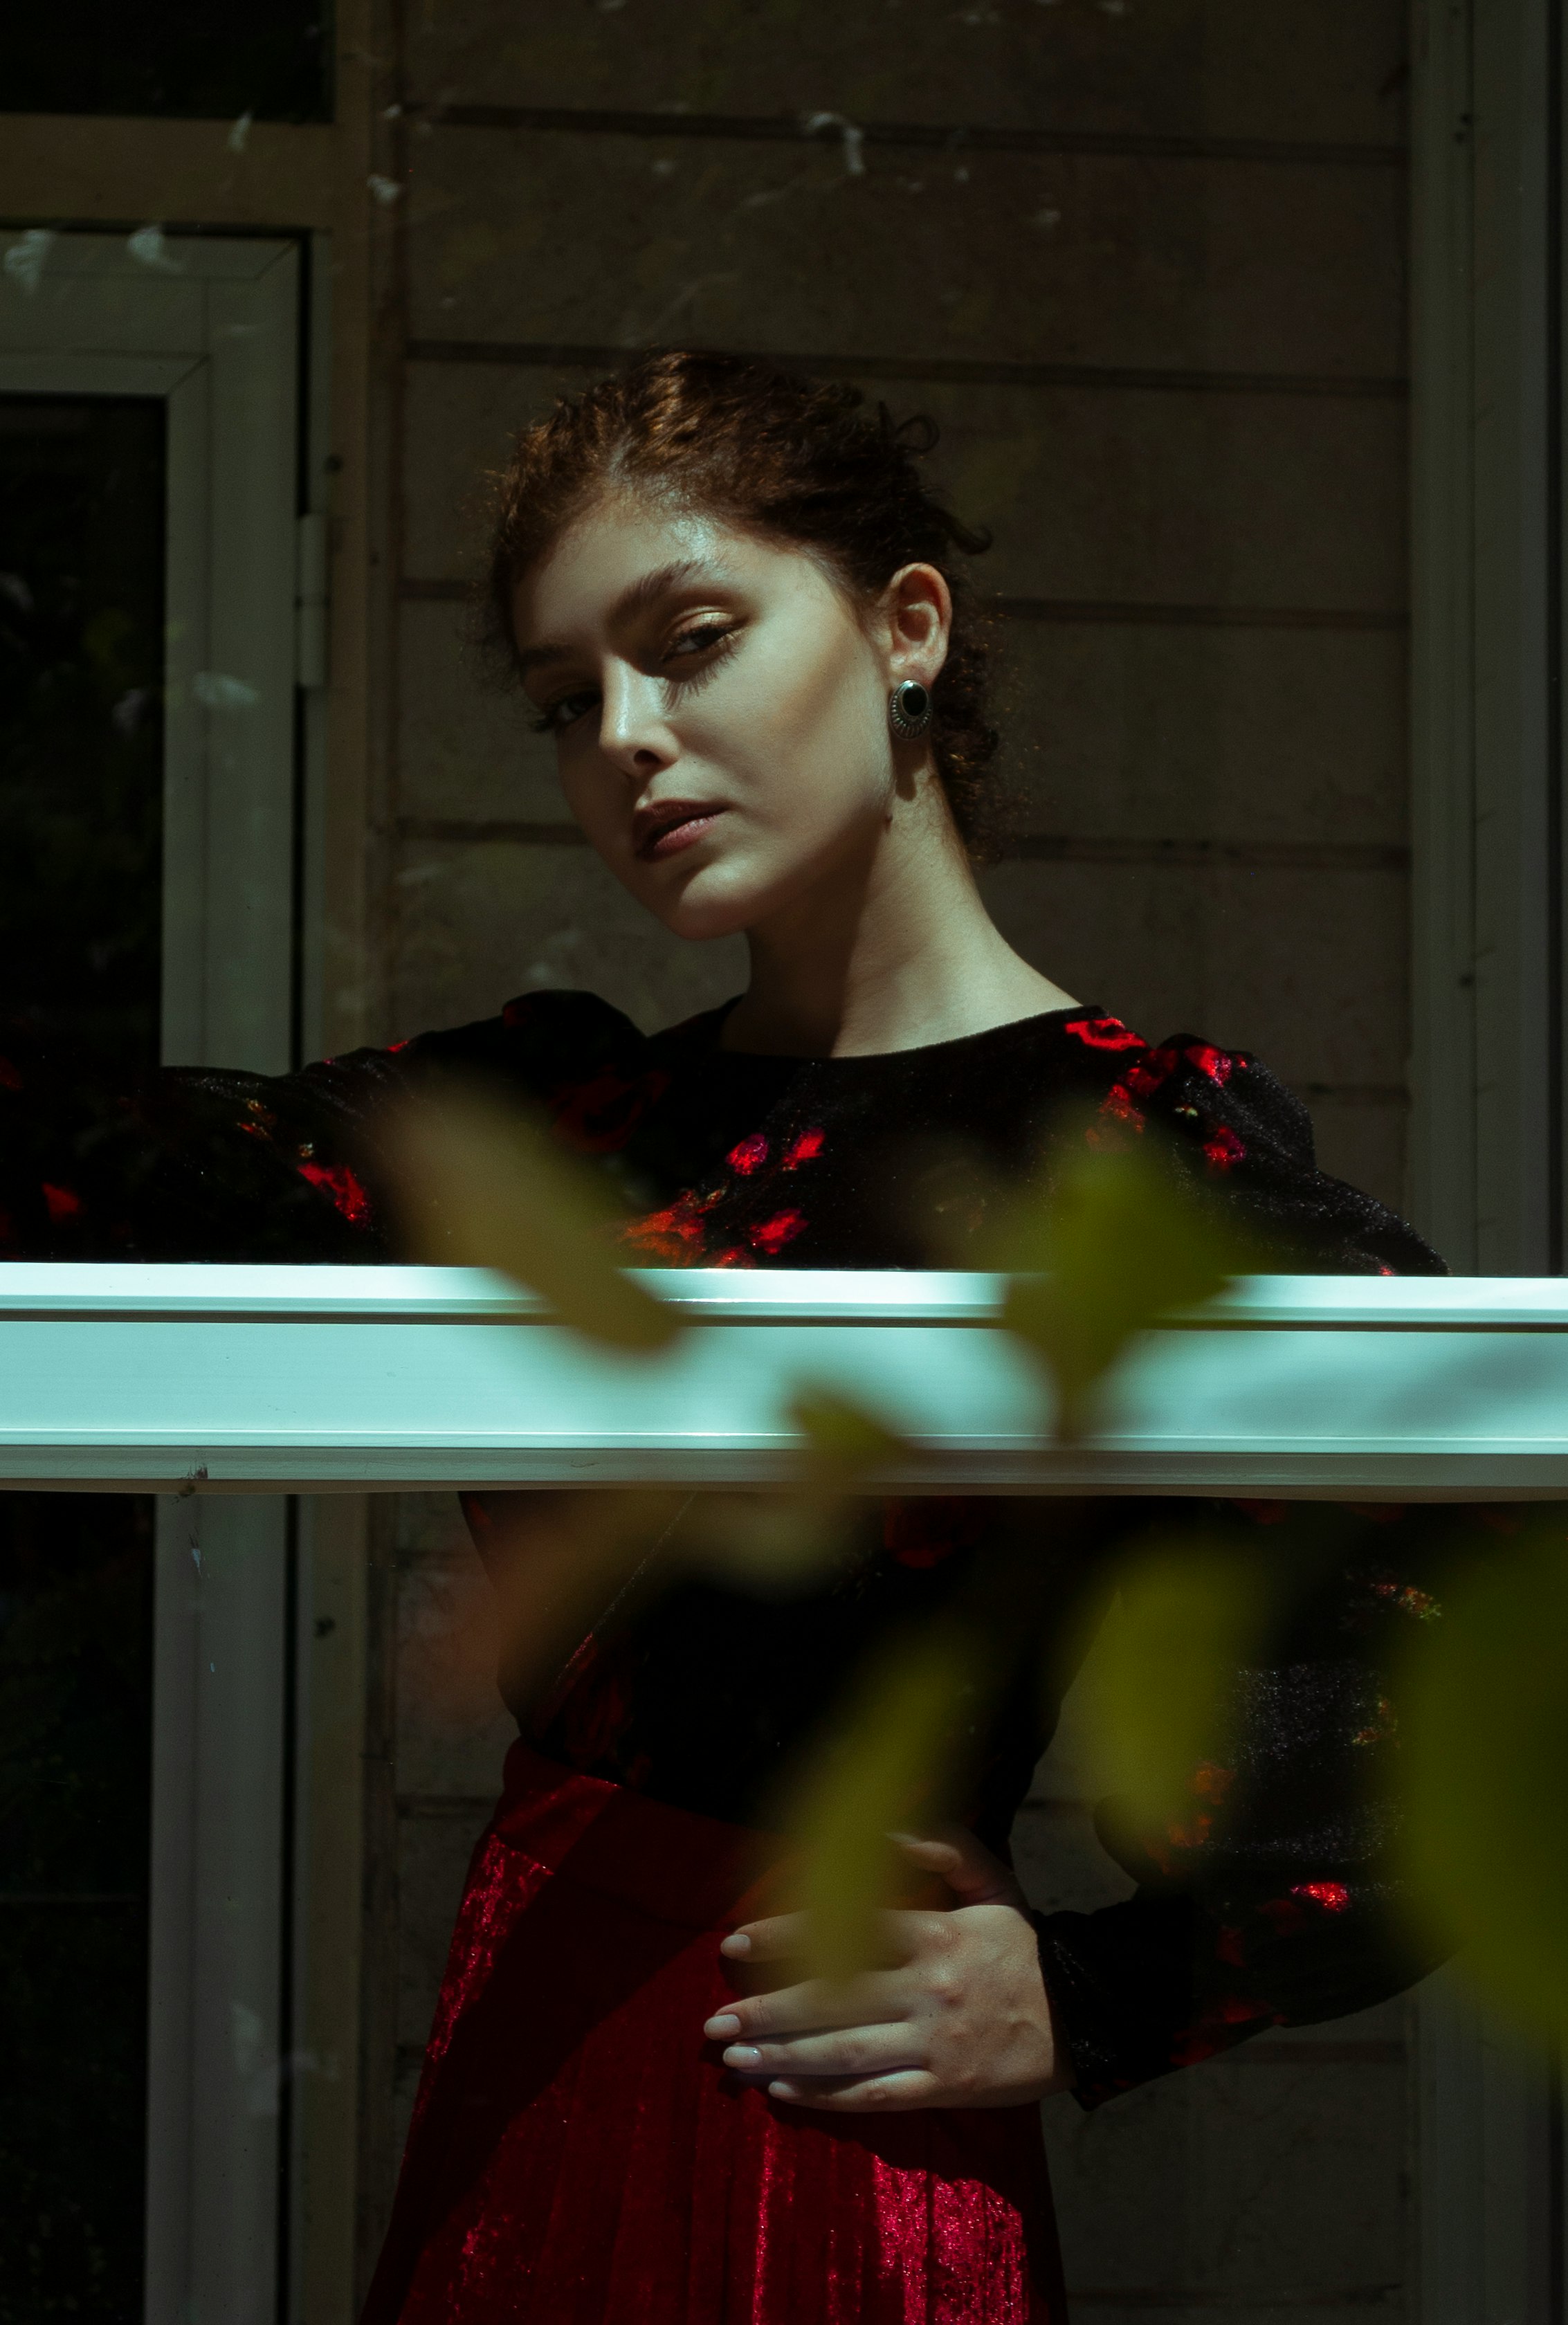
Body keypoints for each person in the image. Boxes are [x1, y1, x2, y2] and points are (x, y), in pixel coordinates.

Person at [0, 352, 1445, 2324]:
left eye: (687, 645)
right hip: (529, 2065)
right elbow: (125, 1175)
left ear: (903, 627)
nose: (626, 742)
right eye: (562, 702)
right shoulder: (563, 1125)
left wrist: (1105, 1988)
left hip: (828, 2114)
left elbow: (1465, 1645)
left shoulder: (1129, 1152)